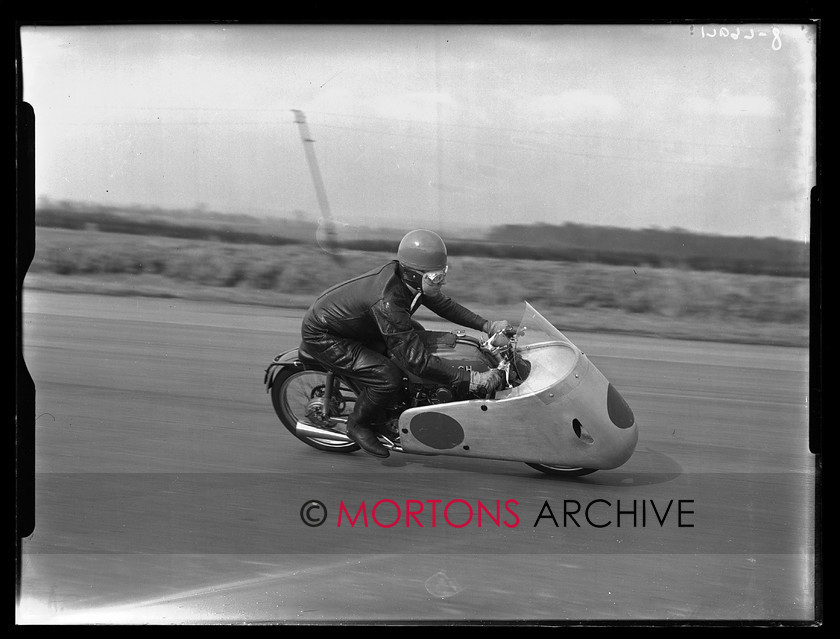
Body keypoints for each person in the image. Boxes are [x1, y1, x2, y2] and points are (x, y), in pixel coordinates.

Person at [300, 229, 510, 458]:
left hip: (357, 325)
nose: (442, 281)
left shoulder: (411, 281)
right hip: (326, 334)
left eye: (443, 274)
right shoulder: (388, 302)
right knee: (386, 376)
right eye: (436, 278)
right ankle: (357, 424)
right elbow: (416, 361)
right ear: (413, 274)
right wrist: (471, 379)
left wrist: (487, 325)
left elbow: (445, 305)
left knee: (417, 334)